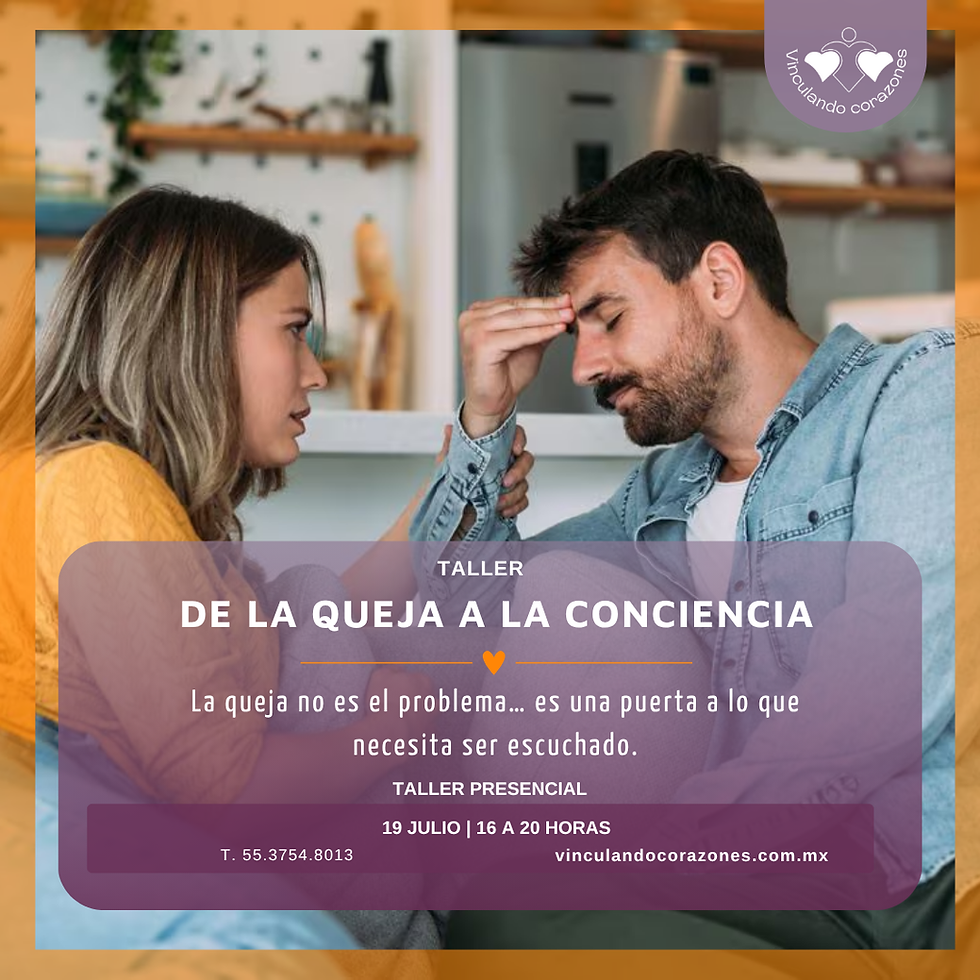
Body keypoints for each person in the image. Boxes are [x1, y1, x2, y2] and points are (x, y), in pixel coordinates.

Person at [409, 150, 954, 950]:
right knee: (485, 909)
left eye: (610, 318)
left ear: (720, 281)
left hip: (906, 886)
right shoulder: (666, 491)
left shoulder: (917, 392)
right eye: (576, 334)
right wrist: (483, 424)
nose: (588, 367)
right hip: (758, 888)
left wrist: (659, 846)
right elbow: (469, 620)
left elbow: (881, 690)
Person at [30, 185, 535, 953]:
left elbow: (336, 608)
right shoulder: (98, 483)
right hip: (236, 887)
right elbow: (227, 794)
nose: (315, 373)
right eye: (294, 332)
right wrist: (405, 718)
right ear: (193, 334)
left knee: (312, 607)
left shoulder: (125, 496)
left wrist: (469, 453)